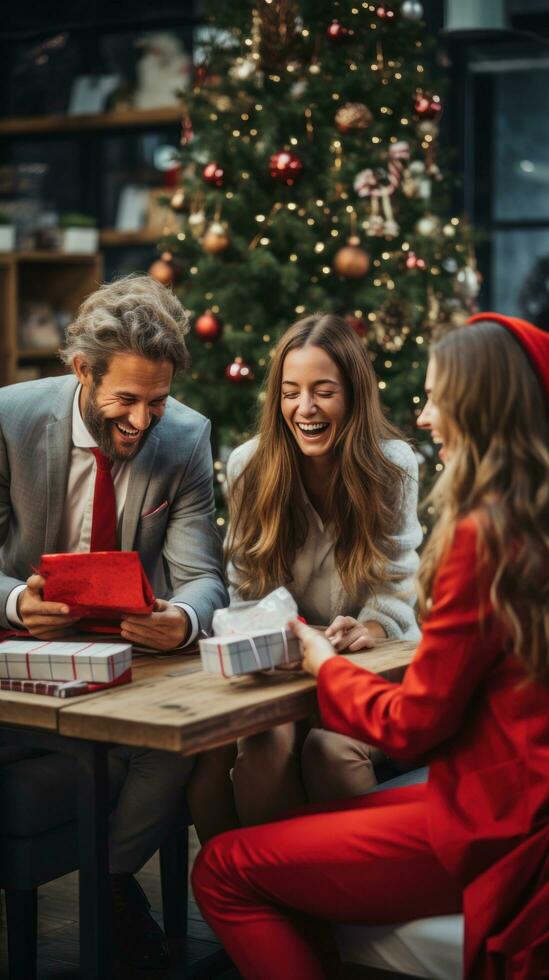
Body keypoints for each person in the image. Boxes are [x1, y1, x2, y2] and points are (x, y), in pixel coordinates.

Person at [192, 313, 549, 979]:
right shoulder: (526, 523)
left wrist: (324, 663)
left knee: (220, 868)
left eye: (436, 396)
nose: (422, 417)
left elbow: (412, 723)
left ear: (478, 407)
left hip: (495, 821)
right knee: (265, 774)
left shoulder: (485, 537)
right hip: (509, 799)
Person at [0, 274, 227, 970]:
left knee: (170, 746)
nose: (140, 420)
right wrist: (14, 601)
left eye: (155, 401)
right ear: (80, 371)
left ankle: (107, 884)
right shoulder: (8, 419)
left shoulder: (184, 436)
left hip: (123, 657)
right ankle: (115, 899)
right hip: (20, 651)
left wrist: (183, 620)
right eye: (123, 400)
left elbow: (203, 579)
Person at [188, 314, 421, 838]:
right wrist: (284, 643)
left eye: (324, 392)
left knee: (324, 749)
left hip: (371, 665)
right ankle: (264, 899)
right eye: (291, 392)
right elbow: (244, 587)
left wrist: (371, 627)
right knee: (252, 755)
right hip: (282, 668)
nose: (305, 409)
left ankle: (329, 898)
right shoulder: (250, 467)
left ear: (354, 397)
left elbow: (397, 586)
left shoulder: (394, 466)